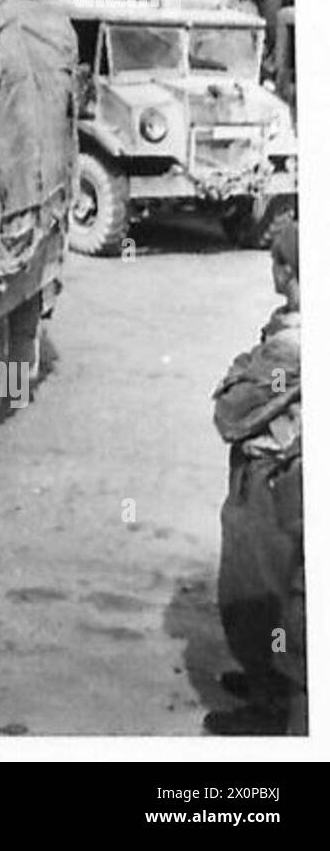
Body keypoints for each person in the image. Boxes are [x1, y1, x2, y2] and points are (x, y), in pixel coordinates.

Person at [205, 220, 303, 735]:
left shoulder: (291, 346)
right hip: (273, 475)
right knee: (272, 589)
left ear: (287, 270)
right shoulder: (286, 329)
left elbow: (230, 410)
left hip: (269, 478)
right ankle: (269, 681)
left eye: (276, 261)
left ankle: (270, 703)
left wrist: (241, 368)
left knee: (254, 591)